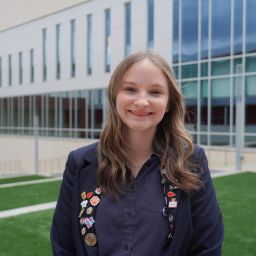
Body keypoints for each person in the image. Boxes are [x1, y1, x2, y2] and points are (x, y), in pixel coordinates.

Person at [51, 51, 224, 256]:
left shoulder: (192, 161)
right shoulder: (80, 162)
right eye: (131, 89)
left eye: (155, 92)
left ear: (169, 103)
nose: (142, 101)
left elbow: (207, 247)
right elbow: (64, 245)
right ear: (115, 96)